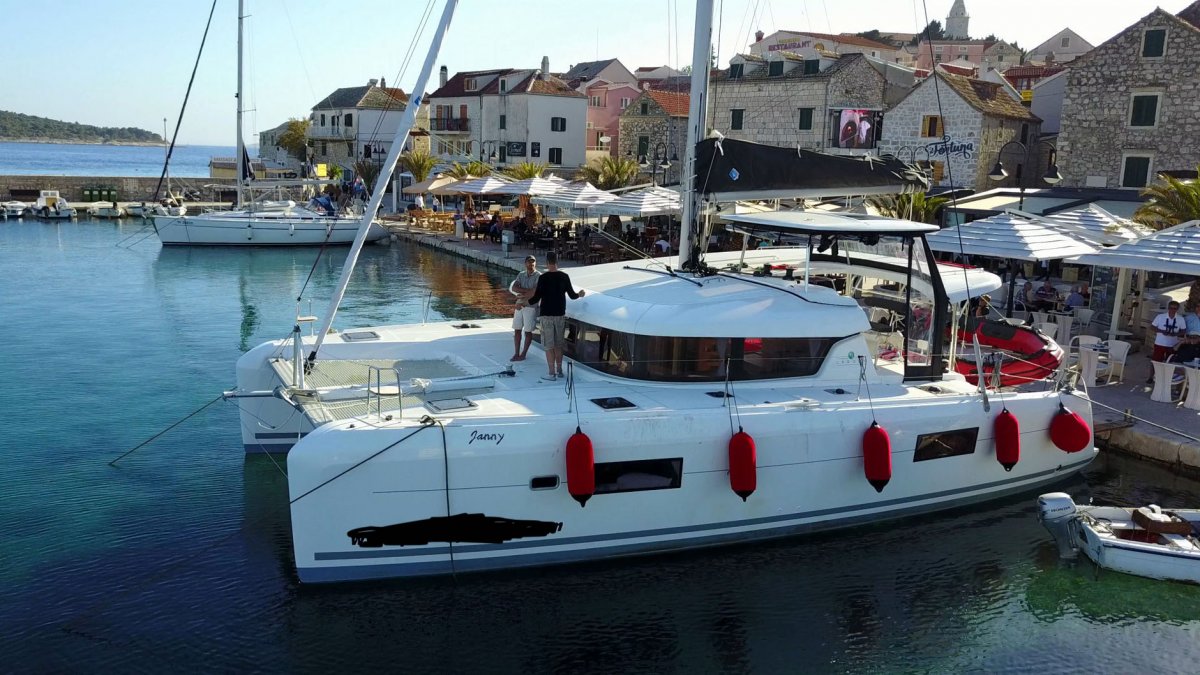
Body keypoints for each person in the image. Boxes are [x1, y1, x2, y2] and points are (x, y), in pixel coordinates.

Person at [527, 251, 585, 381]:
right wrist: (580, 294)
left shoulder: (543, 278)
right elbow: (572, 295)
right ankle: (559, 371)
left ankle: (551, 373)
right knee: (558, 345)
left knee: (549, 346)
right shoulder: (564, 276)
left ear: (547, 263)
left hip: (546, 315)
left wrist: (525, 303)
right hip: (560, 315)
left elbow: (536, 297)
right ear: (557, 262)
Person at [510, 255, 542, 361]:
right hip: (519, 305)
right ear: (525, 263)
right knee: (517, 329)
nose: (531, 264)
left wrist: (521, 293)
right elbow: (514, 287)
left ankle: (523, 354)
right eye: (529, 262)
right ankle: (516, 353)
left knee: (528, 331)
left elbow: (535, 292)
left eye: (533, 262)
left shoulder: (539, 276)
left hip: (530, 306)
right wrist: (526, 292)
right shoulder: (521, 274)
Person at [1149, 301, 1184, 383]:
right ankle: (1151, 377)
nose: (1172, 310)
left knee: (1171, 362)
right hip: (1160, 343)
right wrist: (1161, 331)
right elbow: (1152, 327)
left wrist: (1175, 334)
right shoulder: (1160, 317)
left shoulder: (1180, 318)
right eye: (1171, 308)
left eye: (1175, 308)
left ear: (1177, 309)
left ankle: (1167, 378)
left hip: (1172, 344)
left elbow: (1183, 330)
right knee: (1155, 361)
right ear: (1168, 308)